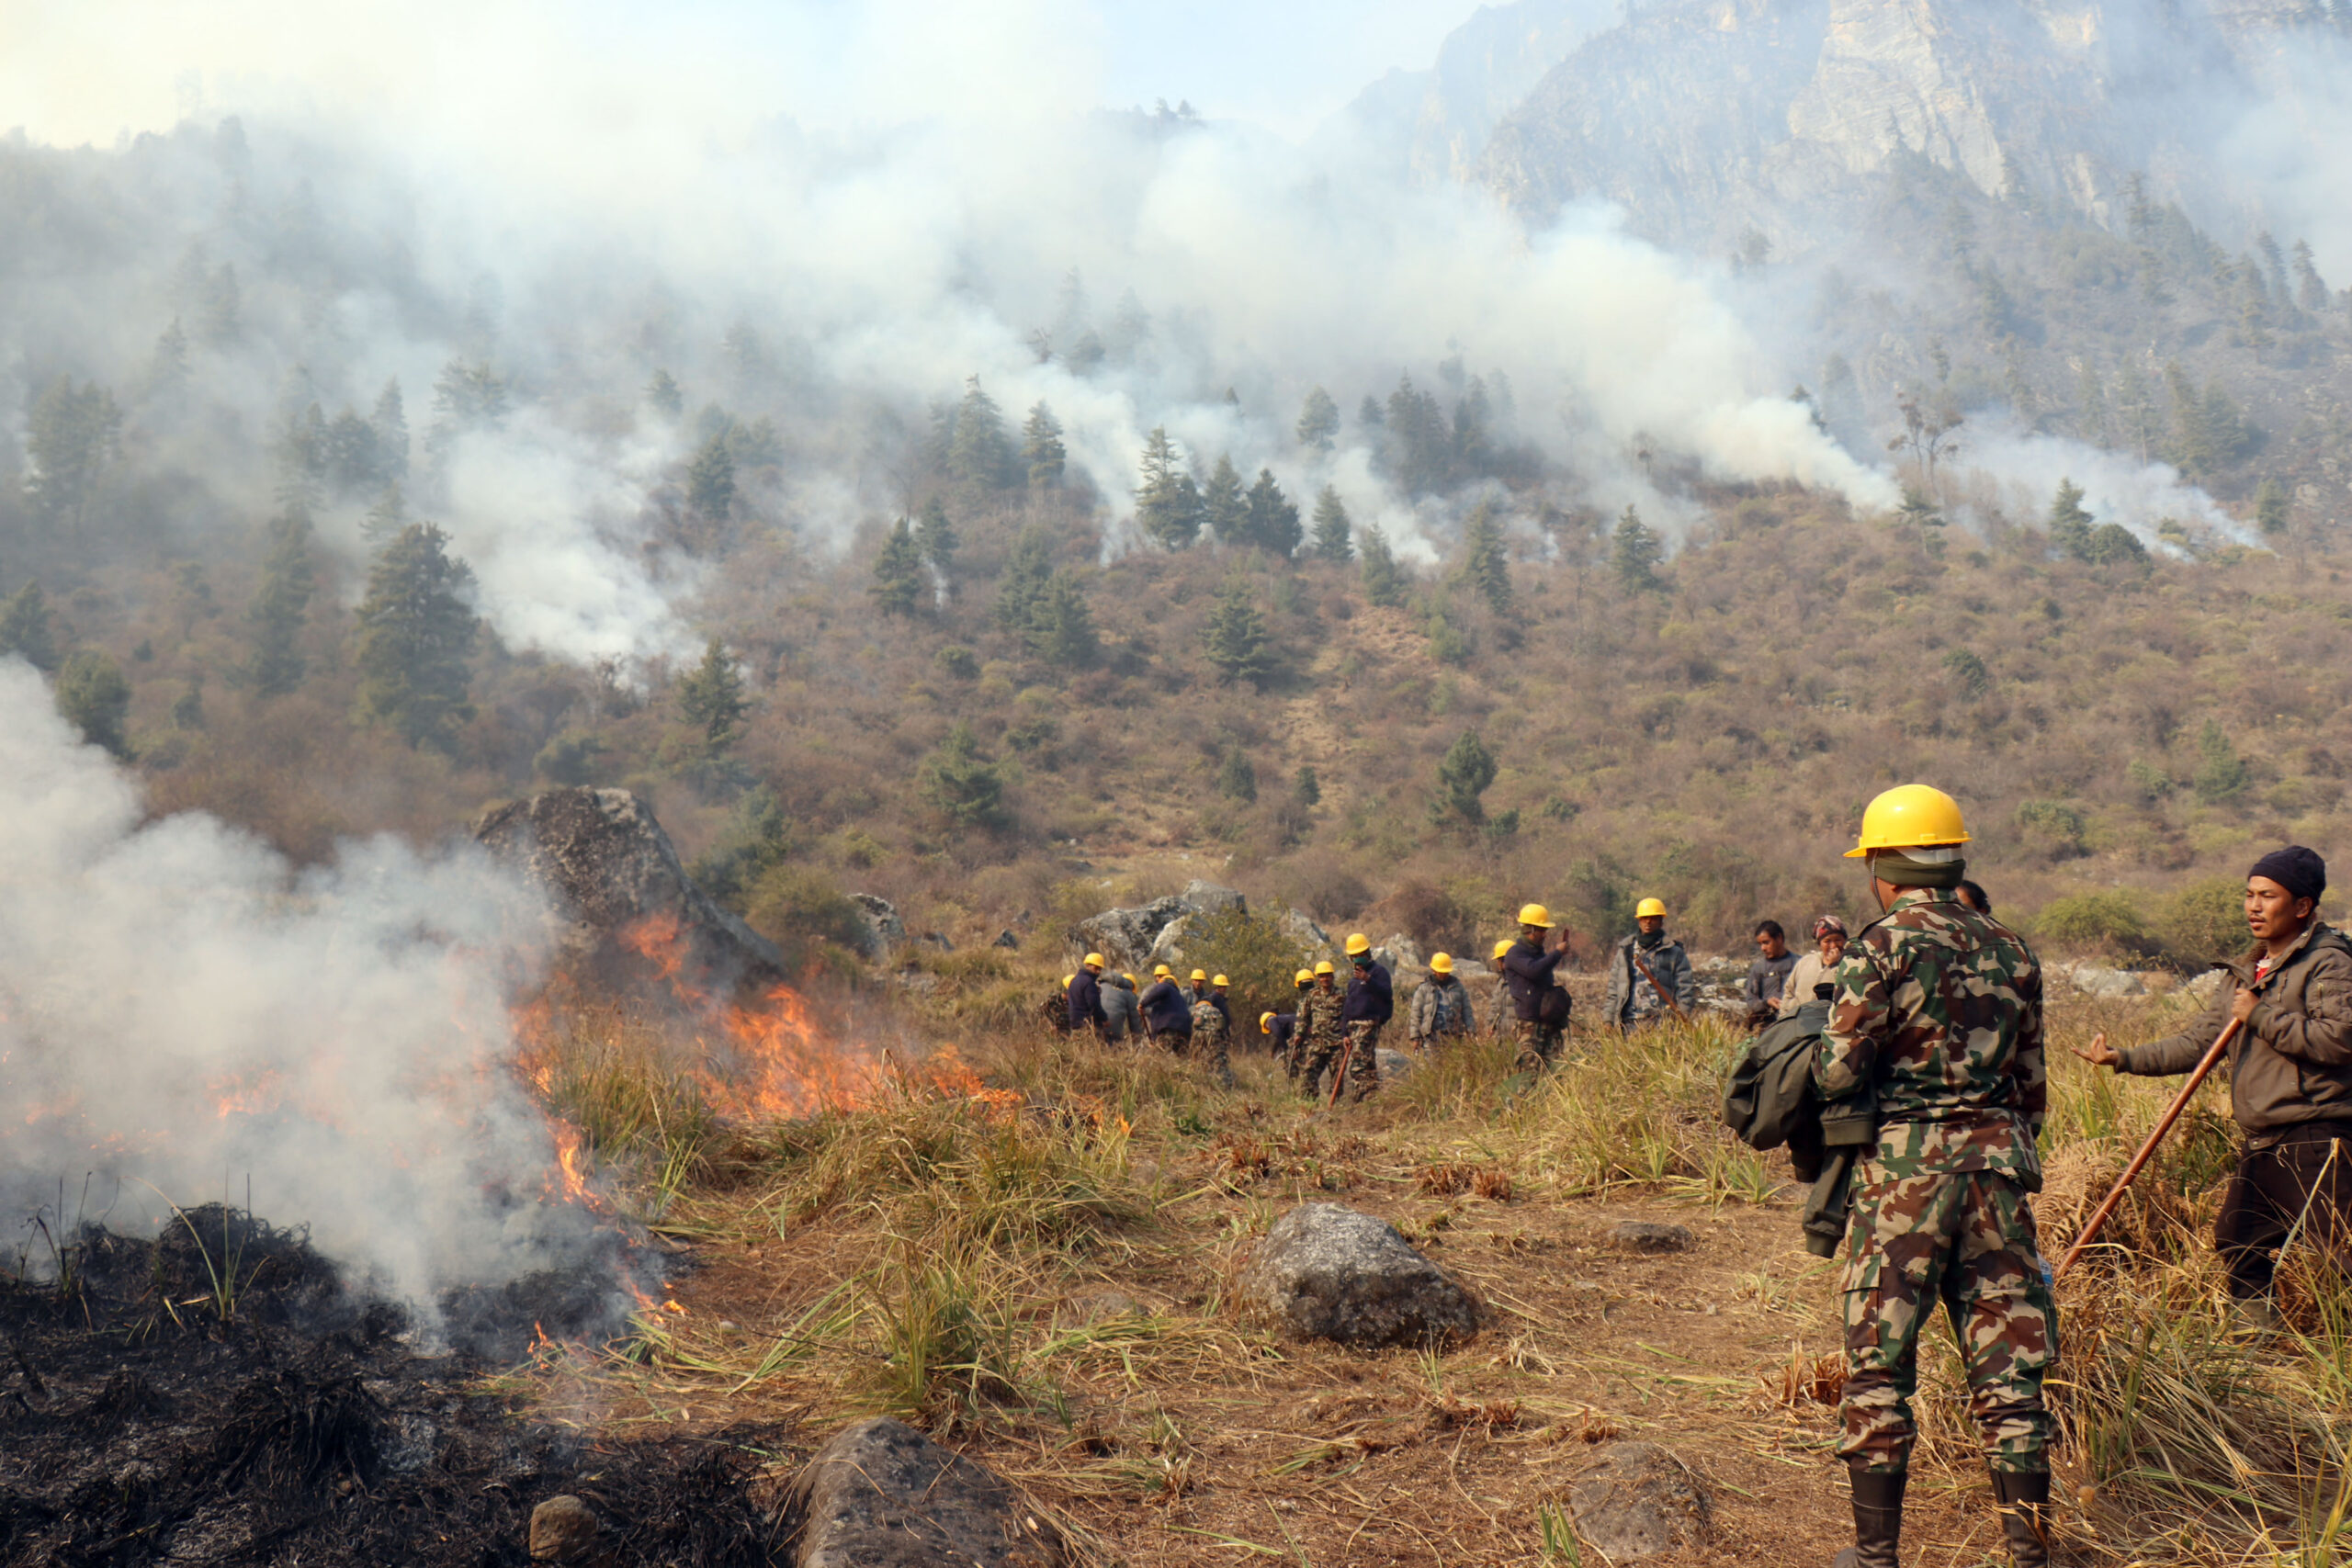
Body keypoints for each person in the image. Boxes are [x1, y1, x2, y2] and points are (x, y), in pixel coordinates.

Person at [1813, 784, 2053, 1568]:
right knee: (2009, 1366)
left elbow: (1842, 1071)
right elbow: (2032, 1089)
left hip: (1904, 1178)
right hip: (1998, 1171)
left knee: (1881, 1363)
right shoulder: (2014, 948)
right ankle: (2030, 1550)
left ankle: (1876, 1555)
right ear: (1954, 858)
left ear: (1884, 865)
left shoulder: (1878, 948)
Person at [2075, 846, 2352, 1332]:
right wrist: (2124, 1059)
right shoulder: (2245, 973)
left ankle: (2340, 1363)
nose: (2254, 906)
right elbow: (2198, 1043)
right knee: (2239, 1239)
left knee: (2339, 1256)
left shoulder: (2329, 963)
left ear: (2302, 906)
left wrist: (2260, 1015)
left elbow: (2339, 1041)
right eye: (2249, 894)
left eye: (2268, 896)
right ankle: (2260, 1344)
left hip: (2317, 1134)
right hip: (2264, 1137)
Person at [1604, 897, 1695, 1031]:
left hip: (1663, 1024)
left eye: (1653, 918)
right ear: (1639, 921)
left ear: (1660, 921)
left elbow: (1685, 988)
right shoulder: (1625, 951)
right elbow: (1614, 989)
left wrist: (1683, 1016)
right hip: (1630, 1023)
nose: (1648, 922)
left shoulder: (1674, 952)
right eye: (1644, 918)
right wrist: (1608, 1019)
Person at [1504, 904, 1571, 1069]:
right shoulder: (1515, 953)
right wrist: (1557, 953)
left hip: (1549, 1023)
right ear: (1530, 929)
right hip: (1530, 1025)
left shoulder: (1539, 954)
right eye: (1541, 930)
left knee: (1554, 1071)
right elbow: (1533, 971)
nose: (1544, 935)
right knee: (1528, 1071)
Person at [1334, 933, 1391, 1101]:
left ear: (1368, 953)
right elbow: (1348, 1007)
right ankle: (1372, 1099)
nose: (1358, 959)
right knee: (1367, 1064)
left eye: (1361, 955)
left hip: (1368, 1023)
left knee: (1358, 1066)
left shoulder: (1379, 972)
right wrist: (1344, 1032)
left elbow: (1387, 994)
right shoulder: (1353, 980)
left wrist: (1369, 980)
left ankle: (1361, 1100)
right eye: (1354, 956)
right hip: (1353, 1026)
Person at [1295, 960, 1347, 1099]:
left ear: (1333, 976)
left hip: (1336, 1045)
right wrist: (1298, 1034)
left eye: (1328, 975)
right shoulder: (1312, 995)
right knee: (1308, 1074)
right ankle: (1308, 1104)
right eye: (1322, 976)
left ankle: (1335, 1105)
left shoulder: (1342, 995)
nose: (1325, 979)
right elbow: (1302, 1017)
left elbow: (1349, 1016)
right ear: (1318, 978)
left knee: (1337, 1079)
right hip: (1317, 1045)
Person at [1782, 916, 1849, 1018]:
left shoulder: (1850, 964)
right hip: (1799, 1022)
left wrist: (1834, 965)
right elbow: (1788, 992)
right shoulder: (1805, 962)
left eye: (1838, 940)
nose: (1833, 946)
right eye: (1827, 941)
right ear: (1820, 943)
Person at [1409, 952, 1476, 1050]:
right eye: (1441, 971)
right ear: (1433, 970)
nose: (1443, 974)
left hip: (1454, 1038)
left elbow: (1467, 1011)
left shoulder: (1458, 987)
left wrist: (1471, 1031)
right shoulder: (1423, 989)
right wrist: (1415, 1037)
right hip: (1431, 1039)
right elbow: (1416, 1014)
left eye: (1446, 971)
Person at [1745, 920, 1797, 1029]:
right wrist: (1767, 1003)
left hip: (1795, 1022)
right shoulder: (1758, 970)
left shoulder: (1799, 963)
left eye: (1766, 942)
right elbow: (1751, 1001)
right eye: (1760, 944)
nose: (1763, 948)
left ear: (1779, 938)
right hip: (1767, 1026)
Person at [1188, 970, 1237, 1088]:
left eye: (1225, 987)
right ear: (1217, 987)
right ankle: (1220, 1083)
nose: (1223, 989)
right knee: (1216, 1059)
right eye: (1221, 987)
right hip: (1213, 1034)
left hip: (1218, 1033)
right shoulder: (1213, 998)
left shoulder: (1218, 999)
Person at [1137, 964, 1193, 1052]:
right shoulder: (1178, 995)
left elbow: (1145, 1003)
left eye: (1161, 976)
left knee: (1162, 1054)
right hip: (1185, 1030)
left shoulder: (1164, 986)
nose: (1158, 979)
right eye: (1158, 976)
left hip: (1168, 1027)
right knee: (1180, 1058)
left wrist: (1142, 1004)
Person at [1067, 953, 1109, 1039]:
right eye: (1096, 968)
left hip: (1075, 1025)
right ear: (1087, 965)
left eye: (1100, 969)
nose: (1098, 971)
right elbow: (1094, 1004)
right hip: (1088, 1027)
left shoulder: (1074, 981)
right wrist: (1104, 1019)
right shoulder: (1089, 982)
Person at [1102, 972, 1143, 1043]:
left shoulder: (1101, 985)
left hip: (1094, 1025)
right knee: (1114, 1048)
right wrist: (1137, 1040)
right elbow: (1135, 1022)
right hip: (1113, 1029)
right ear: (1132, 986)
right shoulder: (1129, 994)